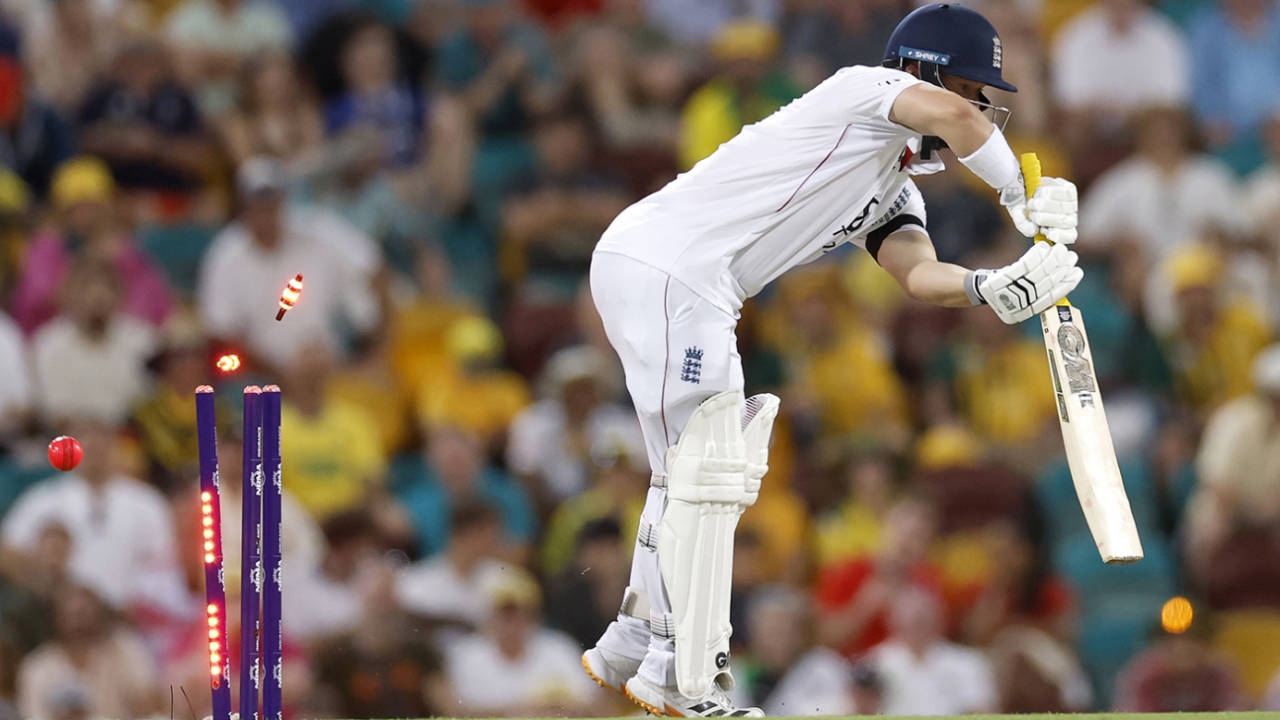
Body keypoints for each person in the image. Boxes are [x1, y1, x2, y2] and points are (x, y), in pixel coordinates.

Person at [580, 4, 1083, 716]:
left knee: (687, 473)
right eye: (972, 88)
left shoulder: (892, 182)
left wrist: (988, 286)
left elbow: (917, 274)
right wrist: (1021, 195)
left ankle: (632, 641)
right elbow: (966, 126)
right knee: (712, 471)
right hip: (676, 270)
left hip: (676, 275)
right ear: (926, 72)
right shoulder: (862, 89)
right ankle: (679, 675)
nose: (979, 108)